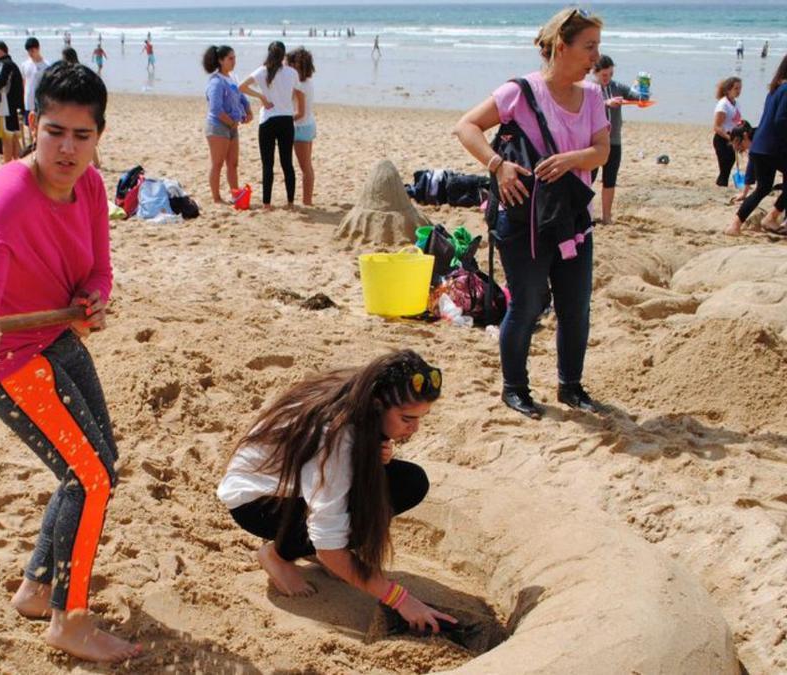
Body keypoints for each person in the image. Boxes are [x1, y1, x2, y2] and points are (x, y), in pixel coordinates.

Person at [0, 61, 140, 664]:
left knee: (96, 466)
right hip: (8, 361)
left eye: (81, 136)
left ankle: (37, 587)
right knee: (90, 477)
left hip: (56, 338)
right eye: (54, 131)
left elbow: (98, 268)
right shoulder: (6, 195)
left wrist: (93, 298)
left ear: (98, 136)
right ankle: (69, 618)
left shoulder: (88, 184)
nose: (66, 148)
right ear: (33, 124)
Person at [217, 351, 456, 634]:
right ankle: (277, 555)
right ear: (378, 406)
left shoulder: (361, 393)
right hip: (257, 502)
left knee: (409, 481)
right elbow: (329, 544)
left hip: (295, 484)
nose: (414, 428)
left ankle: (305, 547)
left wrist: (378, 450)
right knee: (343, 527)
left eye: (420, 418)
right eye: (407, 418)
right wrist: (401, 599)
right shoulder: (336, 435)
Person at [452, 7, 609, 419]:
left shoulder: (593, 96)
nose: (595, 56)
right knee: (527, 303)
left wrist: (569, 159)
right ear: (562, 46)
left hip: (572, 216)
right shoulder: (519, 92)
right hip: (523, 218)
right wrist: (497, 165)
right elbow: (466, 127)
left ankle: (570, 387)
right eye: (589, 46)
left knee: (576, 306)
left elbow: (602, 150)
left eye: (598, 47)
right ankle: (514, 389)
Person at [726, 54, 787, 236]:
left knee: (763, 188)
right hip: (773, 147)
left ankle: (735, 225)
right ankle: (772, 217)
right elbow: (781, 120)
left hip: (759, 145)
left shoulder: (774, 90)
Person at [240, 41, 304, 211]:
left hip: (268, 120)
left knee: (267, 164)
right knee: (287, 163)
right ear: (283, 55)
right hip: (286, 120)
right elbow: (296, 92)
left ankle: (267, 204)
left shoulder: (262, 71)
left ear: (269, 53)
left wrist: (261, 97)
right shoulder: (291, 73)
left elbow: (241, 86)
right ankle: (290, 202)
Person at [591, 55, 640, 225]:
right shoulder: (589, 88)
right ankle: (584, 214)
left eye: (610, 74)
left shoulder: (617, 86)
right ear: (595, 72)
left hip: (614, 140)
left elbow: (638, 97)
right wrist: (606, 103)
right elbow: (585, 107)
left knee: (610, 179)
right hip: (593, 141)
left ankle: (606, 216)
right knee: (588, 178)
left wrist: (641, 89)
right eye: (604, 75)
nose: (608, 78)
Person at [202, 45, 251, 204]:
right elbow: (215, 108)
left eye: (234, 58)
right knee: (217, 163)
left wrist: (248, 110)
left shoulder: (232, 78)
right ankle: (216, 198)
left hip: (232, 127)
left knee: (233, 163)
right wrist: (230, 122)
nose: (233, 61)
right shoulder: (216, 82)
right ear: (220, 61)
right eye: (230, 58)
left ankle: (235, 195)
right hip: (218, 126)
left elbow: (241, 97)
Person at [288, 47, 317, 206]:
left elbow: (299, 113)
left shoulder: (298, 86)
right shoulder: (308, 82)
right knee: (308, 167)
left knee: (305, 168)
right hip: (309, 124)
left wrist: (285, 119)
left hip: (300, 127)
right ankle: (308, 200)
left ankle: (307, 201)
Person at [0, 41, 25, 162]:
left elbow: (0, 82)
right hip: (15, 107)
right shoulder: (13, 65)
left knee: (7, 138)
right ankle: (20, 164)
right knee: (14, 137)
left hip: (6, 106)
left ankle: (7, 166)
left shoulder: (4, 64)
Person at [712, 76, 744, 187]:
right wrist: (729, 138)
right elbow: (717, 126)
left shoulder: (736, 103)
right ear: (728, 90)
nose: (739, 91)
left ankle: (722, 185)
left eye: (740, 88)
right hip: (722, 139)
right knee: (724, 168)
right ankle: (721, 186)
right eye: (736, 88)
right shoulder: (723, 104)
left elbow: (737, 122)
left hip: (733, 138)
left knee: (729, 165)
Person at [20, 37, 49, 130]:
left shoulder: (46, 66)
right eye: (28, 51)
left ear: (38, 49)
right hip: (28, 101)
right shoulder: (25, 64)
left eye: (32, 50)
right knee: (30, 127)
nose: (30, 53)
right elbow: (24, 82)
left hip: (40, 102)